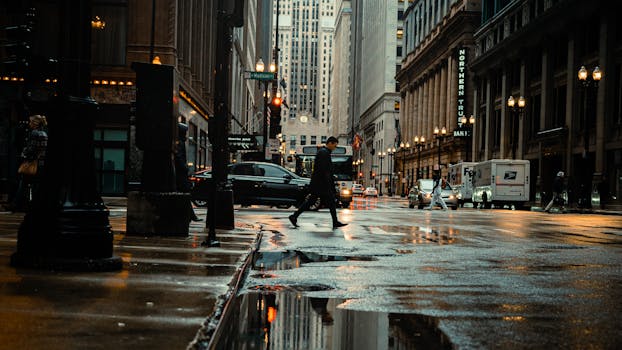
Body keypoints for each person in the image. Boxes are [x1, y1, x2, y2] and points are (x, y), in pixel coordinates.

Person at [289, 136, 347, 229]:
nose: (335, 148)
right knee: (330, 201)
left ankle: (294, 216)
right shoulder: (324, 153)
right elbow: (325, 171)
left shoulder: (323, 152)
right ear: (330, 143)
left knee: (312, 201)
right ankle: (335, 222)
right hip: (322, 184)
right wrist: (330, 184)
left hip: (319, 184)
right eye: (334, 146)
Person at [5, 115, 48, 212]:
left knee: (23, 184)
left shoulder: (34, 133)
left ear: (35, 123)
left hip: (32, 163)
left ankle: (16, 205)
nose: (29, 124)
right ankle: (34, 206)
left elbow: (31, 149)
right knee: (36, 185)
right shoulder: (44, 133)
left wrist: (23, 154)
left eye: (31, 122)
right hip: (41, 164)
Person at [174, 121, 201, 221]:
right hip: (180, 175)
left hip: (181, 174)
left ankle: (190, 216)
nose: (185, 134)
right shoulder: (179, 143)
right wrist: (185, 168)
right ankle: (189, 216)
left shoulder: (180, 142)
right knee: (185, 195)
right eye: (184, 132)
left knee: (185, 195)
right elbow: (179, 158)